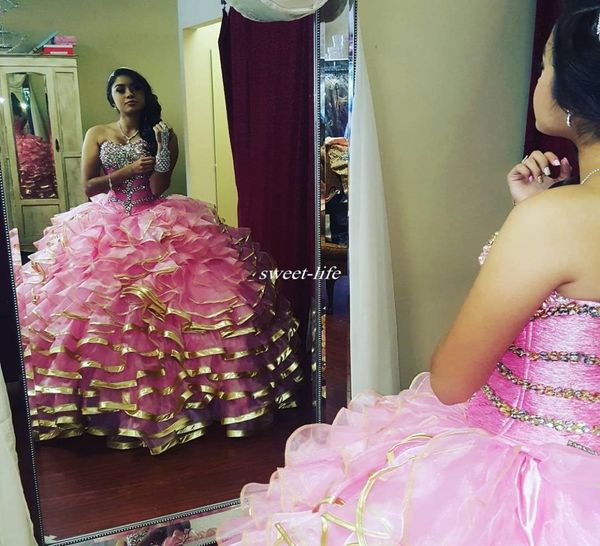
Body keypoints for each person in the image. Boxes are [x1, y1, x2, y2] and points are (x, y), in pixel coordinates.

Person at [216, 4, 600, 545]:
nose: (540, 79)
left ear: (575, 93)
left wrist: (533, 217)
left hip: (534, 472)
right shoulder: (558, 212)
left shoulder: (558, 219)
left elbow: (450, 380)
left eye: (544, 65)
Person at [17, 67, 303, 455]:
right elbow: (87, 186)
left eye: (135, 88)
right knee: (102, 312)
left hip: (157, 216)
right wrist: (125, 171)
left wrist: (163, 153)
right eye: (120, 89)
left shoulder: (161, 132)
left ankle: (205, 399)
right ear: (112, 96)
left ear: (146, 95)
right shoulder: (97, 133)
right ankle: (106, 407)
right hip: (108, 220)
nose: (128, 94)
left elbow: (158, 187)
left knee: (189, 305)